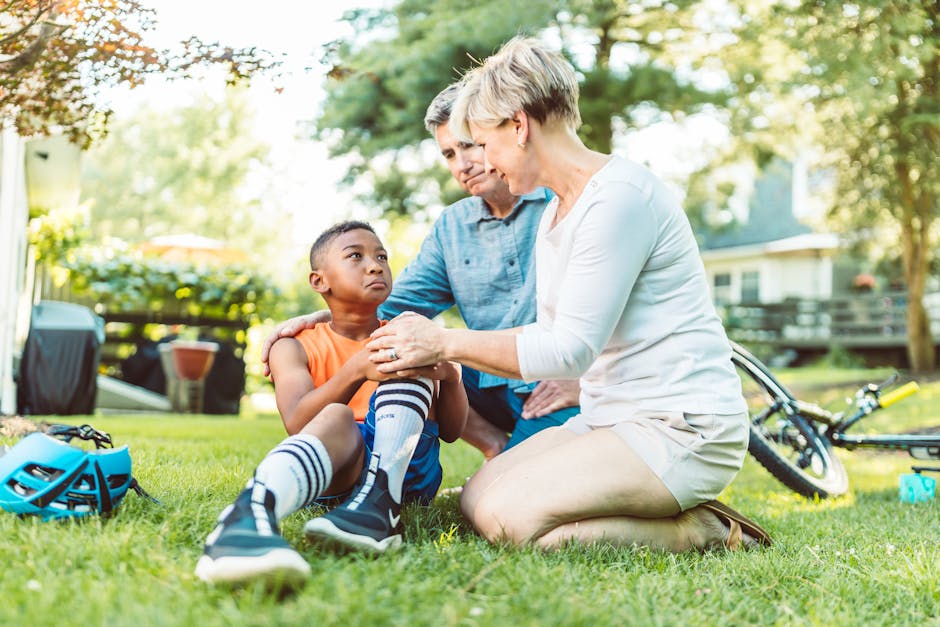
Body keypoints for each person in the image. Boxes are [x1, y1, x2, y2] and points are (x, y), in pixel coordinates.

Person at [366, 38, 773, 552]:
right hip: (610, 417)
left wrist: (444, 343)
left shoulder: (618, 200)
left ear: (519, 126)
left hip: (681, 426)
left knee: (511, 522)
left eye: (483, 142)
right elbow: (545, 331)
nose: (482, 160)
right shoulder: (561, 209)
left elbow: (568, 350)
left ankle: (702, 530)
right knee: (476, 498)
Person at [261, 83, 579, 460]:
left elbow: (616, 310)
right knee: (410, 349)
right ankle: (492, 446)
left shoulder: (562, 204)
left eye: (470, 145)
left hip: (556, 381)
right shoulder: (452, 225)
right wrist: (324, 315)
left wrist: (587, 381)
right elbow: (392, 306)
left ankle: (511, 458)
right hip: (486, 381)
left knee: (515, 487)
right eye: (449, 153)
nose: (463, 164)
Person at [196, 221, 468, 586]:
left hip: (408, 473)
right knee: (337, 415)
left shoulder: (406, 332)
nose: (375, 265)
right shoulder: (292, 344)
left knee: (404, 351)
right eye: (355, 256)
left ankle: (381, 505)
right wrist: (356, 370)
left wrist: (451, 377)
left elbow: (451, 432)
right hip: (337, 465)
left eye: (381, 257)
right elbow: (296, 422)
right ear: (319, 281)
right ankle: (249, 515)